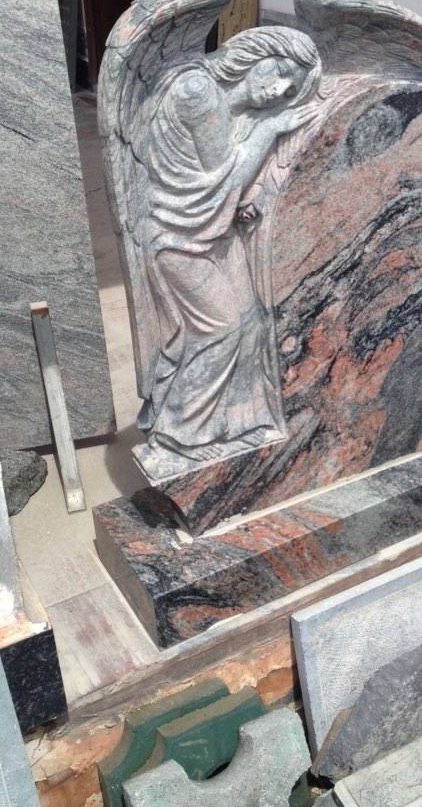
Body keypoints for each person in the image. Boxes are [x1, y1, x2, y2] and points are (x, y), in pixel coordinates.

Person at [134, 27, 322, 474]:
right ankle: (179, 436)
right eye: (279, 71)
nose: (278, 90)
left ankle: (232, 424)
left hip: (210, 234)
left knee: (252, 321)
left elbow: (230, 186)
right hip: (180, 239)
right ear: (256, 52)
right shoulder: (198, 90)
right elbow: (224, 178)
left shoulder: (230, 107)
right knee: (220, 328)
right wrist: (270, 129)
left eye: (289, 90)